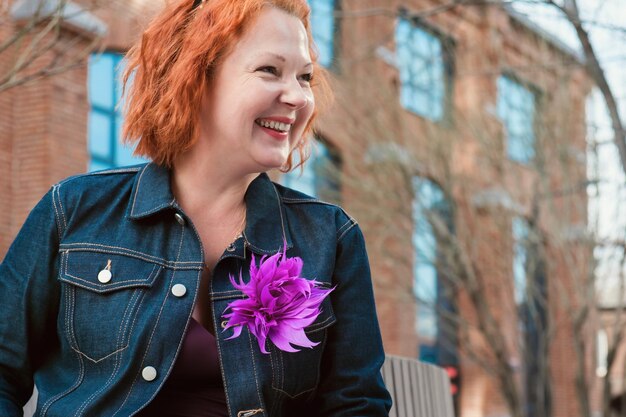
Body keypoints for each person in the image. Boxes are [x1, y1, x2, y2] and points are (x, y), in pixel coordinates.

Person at [0, 0, 392, 415]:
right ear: (194, 77)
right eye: (269, 70)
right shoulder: (74, 210)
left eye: (306, 76)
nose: (297, 96)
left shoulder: (330, 237)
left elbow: (356, 404)